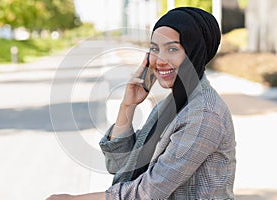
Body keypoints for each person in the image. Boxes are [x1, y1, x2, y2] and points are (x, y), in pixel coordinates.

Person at [46, 6, 236, 200]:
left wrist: (73, 199)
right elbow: (120, 166)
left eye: (172, 49)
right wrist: (128, 105)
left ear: (194, 53)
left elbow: (148, 192)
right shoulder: (171, 105)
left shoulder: (204, 114)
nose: (160, 60)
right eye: (154, 49)